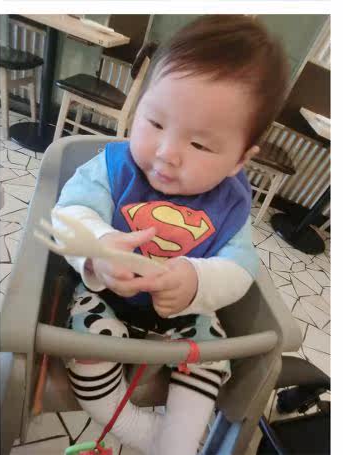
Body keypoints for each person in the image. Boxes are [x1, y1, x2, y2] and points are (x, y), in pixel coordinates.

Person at [52, 15, 289, 455]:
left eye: (199, 145)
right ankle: (142, 433)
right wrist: (98, 249)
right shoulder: (112, 169)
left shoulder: (230, 203)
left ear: (240, 159)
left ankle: (178, 443)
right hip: (106, 298)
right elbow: (68, 215)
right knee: (86, 350)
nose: (166, 153)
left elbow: (240, 267)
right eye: (155, 123)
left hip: (184, 312)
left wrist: (198, 280)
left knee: (212, 355)